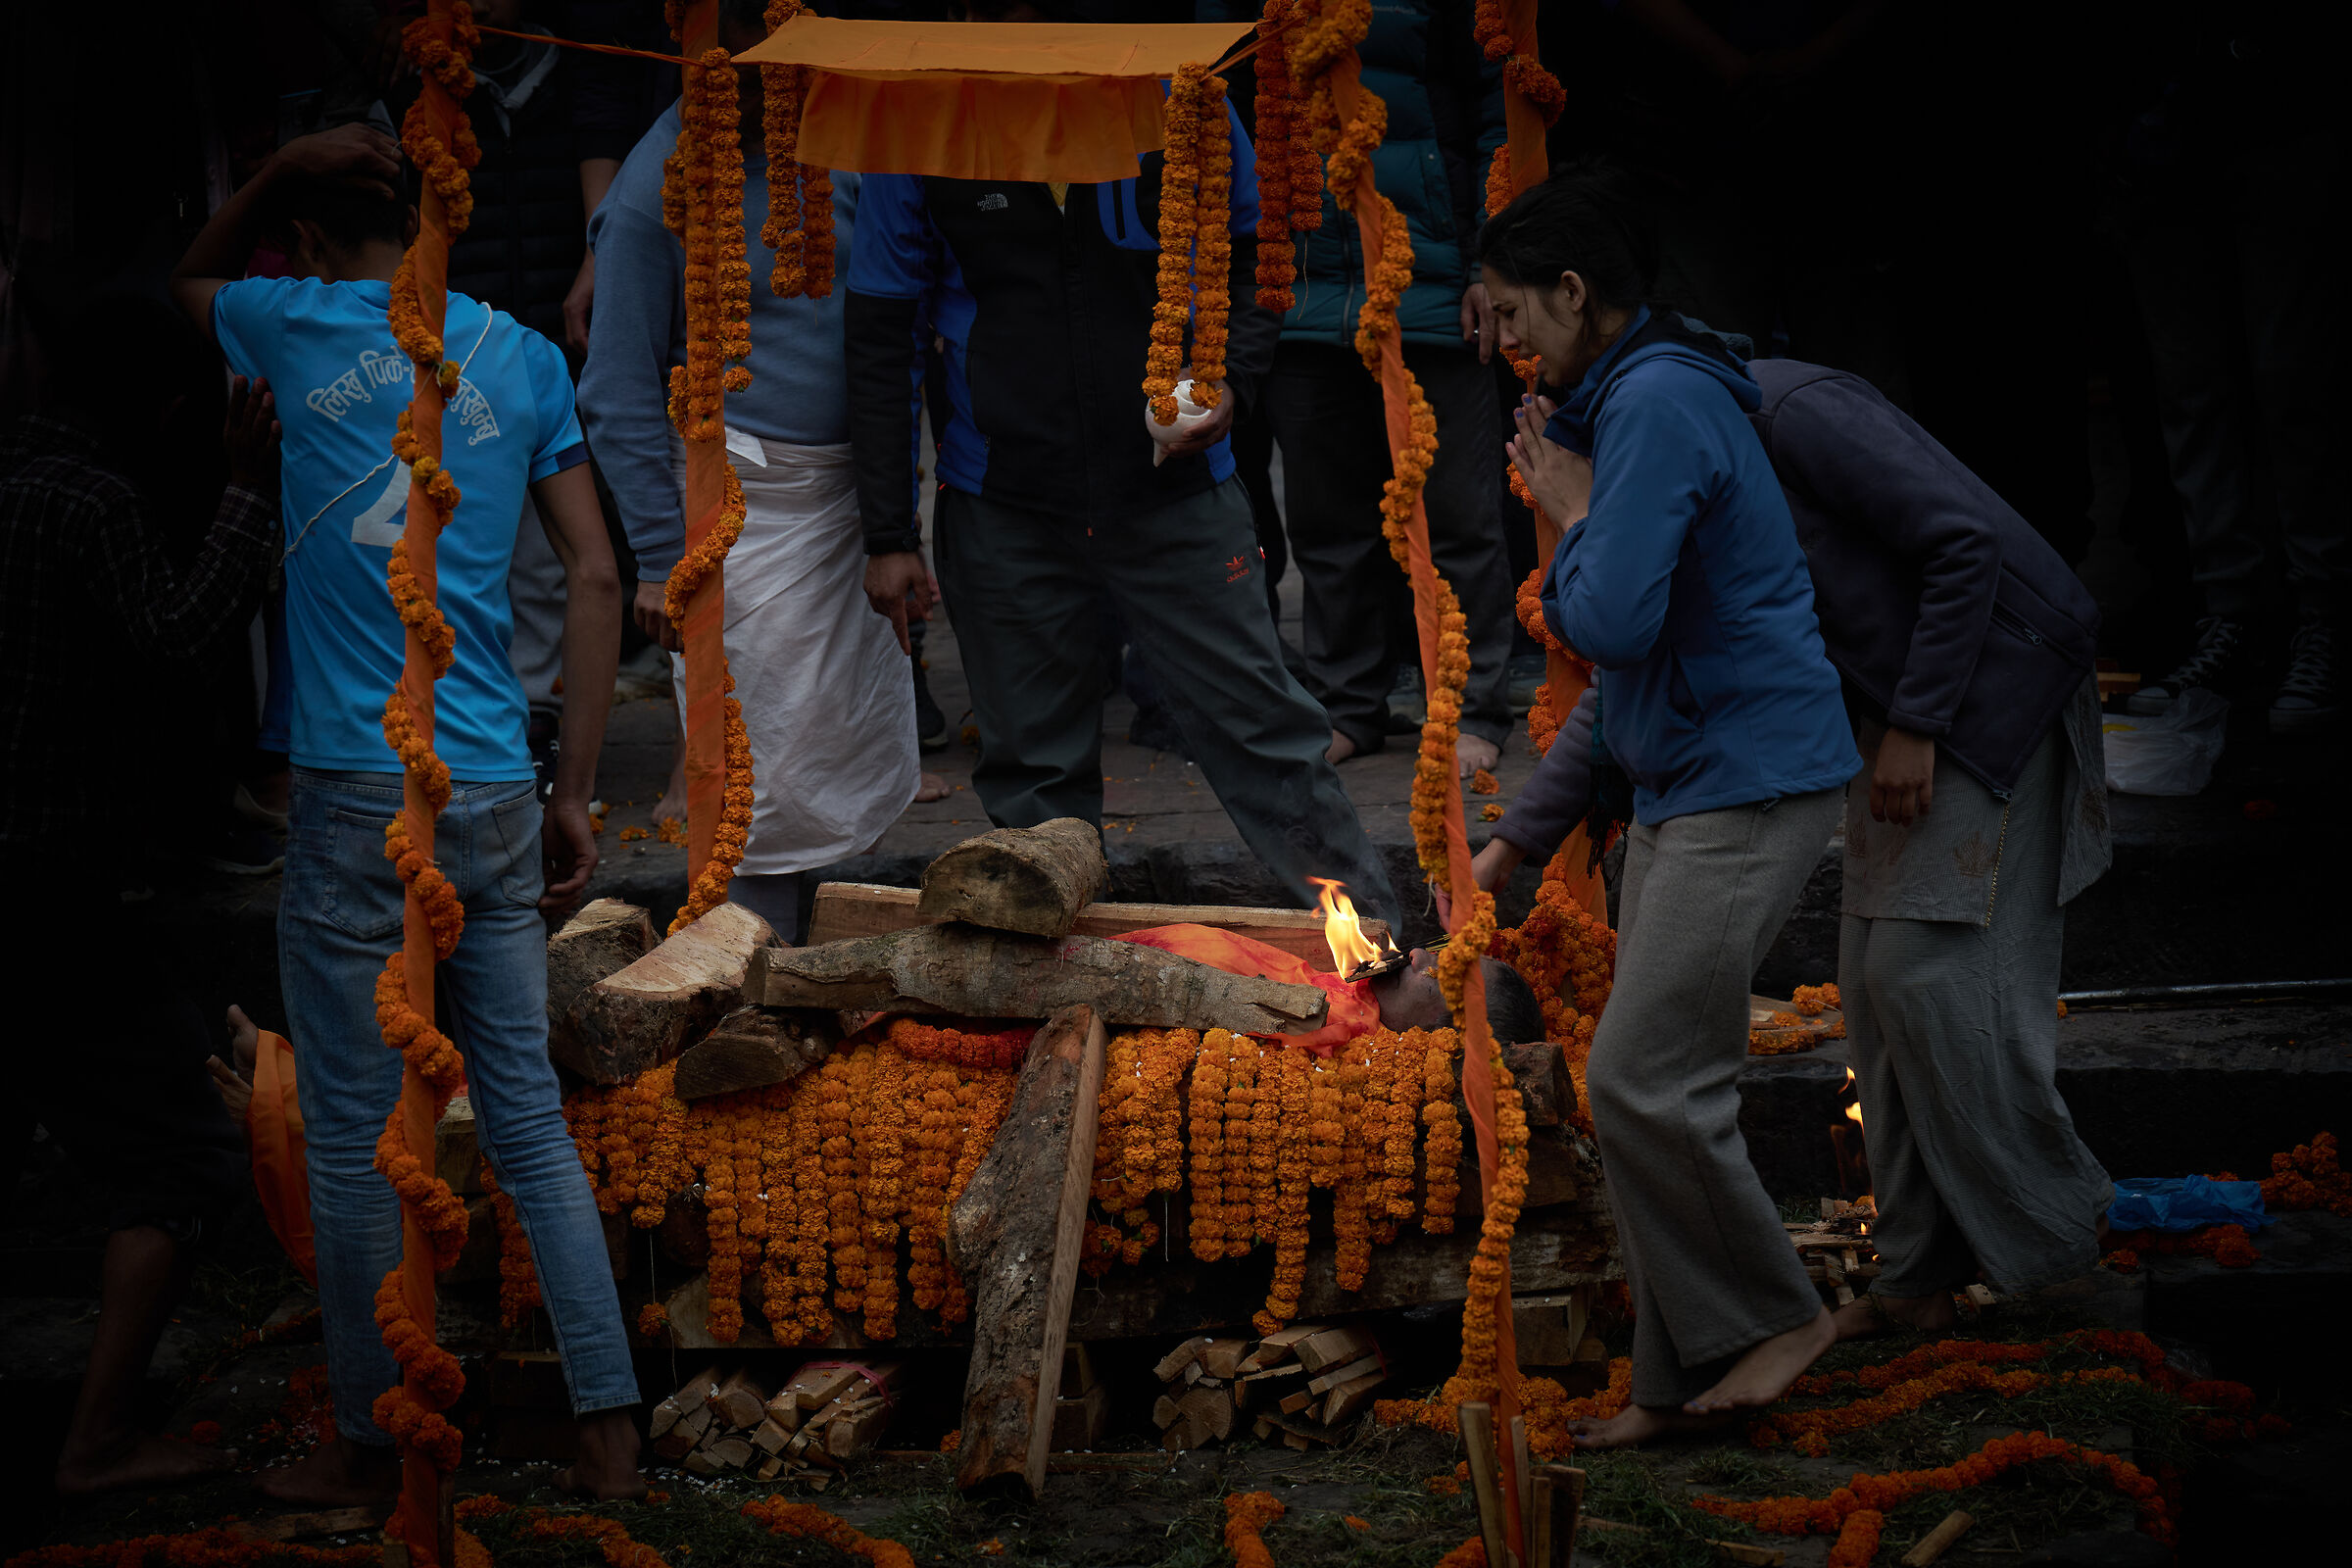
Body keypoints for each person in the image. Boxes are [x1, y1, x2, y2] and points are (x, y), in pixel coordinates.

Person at [172, 122, 642, 1503]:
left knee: (357, 1132)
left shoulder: (288, 319)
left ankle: (371, 1441)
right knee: (524, 1121)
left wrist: (268, 169)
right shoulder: (519, 353)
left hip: (359, 793)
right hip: (492, 784)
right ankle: (614, 1438)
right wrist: (575, 794)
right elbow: (601, 581)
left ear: (309, 241)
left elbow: (183, 279)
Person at [1481, 354, 2117, 1339]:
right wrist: (1512, 843)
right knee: (1871, 983)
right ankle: (1917, 1277)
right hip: (1888, 719)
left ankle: (2061, 1251)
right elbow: (1627, 672)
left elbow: (1963, 542)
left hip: (1990, 694)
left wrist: (1918, 720)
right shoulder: (1660, 464)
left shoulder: (1786, 409)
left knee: (1926, 975)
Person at [844, 0, 1402, 932]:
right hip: (1003, 504)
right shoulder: (923, 124)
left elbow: (1255, 259)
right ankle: (1066, 1008)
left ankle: (1375, 966)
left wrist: (1232, 385)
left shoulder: (1180, 98)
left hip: (1181, 499)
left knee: (1269, 745)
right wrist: (888, 532)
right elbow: (879, 331)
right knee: (1032, 777)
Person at [1481, 165, 1859, 1444]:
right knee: (1645, 1081)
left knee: (1648, 1079)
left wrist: (1572, 513)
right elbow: (1630, 671)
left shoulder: (1654, 405)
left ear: (1576, 295)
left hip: (1747, 783)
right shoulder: (1632, 392)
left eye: (1517, 317)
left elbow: (1607, 621)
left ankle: (1777, 1320)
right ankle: (1674, 1383)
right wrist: (1519, 842)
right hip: (1690, 778)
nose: (1510, 350)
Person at [2, 296, 279, 1494]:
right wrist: (246, 494)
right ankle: (100, 1438)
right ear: (173, 414)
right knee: (176, 1155)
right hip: (50, 895)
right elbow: (175, 644)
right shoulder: (93, 503)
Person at [578, 0, 922, 942]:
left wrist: (896, 513)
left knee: (830, 763)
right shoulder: (659, 186)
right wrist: (663, 559)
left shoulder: (842, 143)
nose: (779, 91)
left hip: (848, 496)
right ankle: (742, 998)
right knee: (752, 793)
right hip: (740, 517)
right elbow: (612, 392)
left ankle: (807, 979)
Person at [1203, 0, 1516, 774]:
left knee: (1456, 517)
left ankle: (1475, 707)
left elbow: (1495, 116)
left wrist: (1491, 262)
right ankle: (1349, 707)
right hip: (1303, 292)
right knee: (1327, 523)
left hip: (1433, 280)